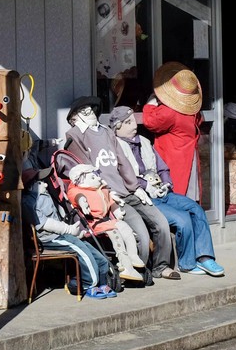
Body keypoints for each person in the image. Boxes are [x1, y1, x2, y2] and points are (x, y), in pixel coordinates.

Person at [65, 95, 178, 281]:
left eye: (92, 109)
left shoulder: (108, 132)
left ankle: (161, 266)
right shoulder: (75, 135)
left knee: (161, 223)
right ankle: (139, 273)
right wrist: (105, 193)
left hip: (128, 190)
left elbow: (122, 162)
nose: (91, 113)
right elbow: (83, 171)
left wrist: (136, 187)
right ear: (75, 117)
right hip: (111, 196)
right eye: (85, 111)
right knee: (140, 232)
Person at [109, 106, 225, 277]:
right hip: (143, 198)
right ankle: (186, 263)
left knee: (196, 209)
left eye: (133, 120)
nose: (134, 124)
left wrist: (166, 183)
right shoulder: (115, 147)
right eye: (128, 122)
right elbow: (122, 177)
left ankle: (205, 257)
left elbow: (162, 168)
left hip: (161, 192)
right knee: (182, 219)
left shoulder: (144, 141)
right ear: (117, 127)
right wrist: (144, 185)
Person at [20, 159, 115, 299]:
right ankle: (85, 284)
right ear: (30, 186)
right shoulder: (29, 201)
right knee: (83, 253)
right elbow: (45, 223)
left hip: (61, 235)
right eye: (39, 182)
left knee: (96, 255)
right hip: (50, 239)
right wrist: (69, 230)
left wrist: (75, 232)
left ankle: (101, 283)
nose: (44, 184)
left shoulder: (43, 196)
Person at [65, 162, 145, 282]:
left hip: (109, 220)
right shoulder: (77, 190)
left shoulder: (102, 190)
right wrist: (81, 200)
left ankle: (133, 255)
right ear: (82, 182)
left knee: (126, 228)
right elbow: (75, 195)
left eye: (96, 175)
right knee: (115, 234)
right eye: (93, 177)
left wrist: (116, 210)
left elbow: (111, 202)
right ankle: (126, 264)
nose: (98, 178)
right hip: (95, 224)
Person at [143, 62, 205, 201]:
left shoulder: (170, 111)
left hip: (174, 157)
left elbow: (151, 122)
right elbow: (199, 120)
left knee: (175, 194)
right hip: (189, 155)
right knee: (189, 194)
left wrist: (149, 105)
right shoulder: (192, 110)